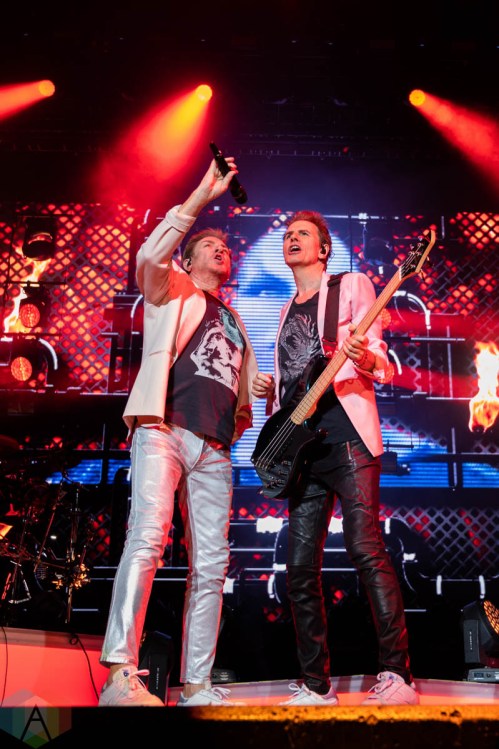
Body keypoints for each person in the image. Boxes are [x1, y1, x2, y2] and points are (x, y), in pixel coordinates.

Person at [98, 155, 258, 707]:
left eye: (225, 247)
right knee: (147, 539)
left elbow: (243, 393)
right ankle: (120, 673)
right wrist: (201, 197)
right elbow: (149, 254)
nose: (221, 249)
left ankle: (197, 685)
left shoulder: (237, 320)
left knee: (211, 568)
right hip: (164, 429)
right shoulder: (171, 287)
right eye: (209, 245)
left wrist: (252, 401)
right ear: (188, 259)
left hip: (214, 450)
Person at [251, 210, 419, 706]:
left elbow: (380, 358)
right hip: (303, 451)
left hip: (347, 438)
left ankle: (398, 676)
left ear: (323, 249)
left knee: (366, 549)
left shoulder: (351, 285)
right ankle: (315, 684)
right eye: (287, 235)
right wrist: (268, 393)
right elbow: (292, 385)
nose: (292, 239)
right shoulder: (285, 309)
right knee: (300, 566)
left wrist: (365, 357)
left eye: (302, 234)